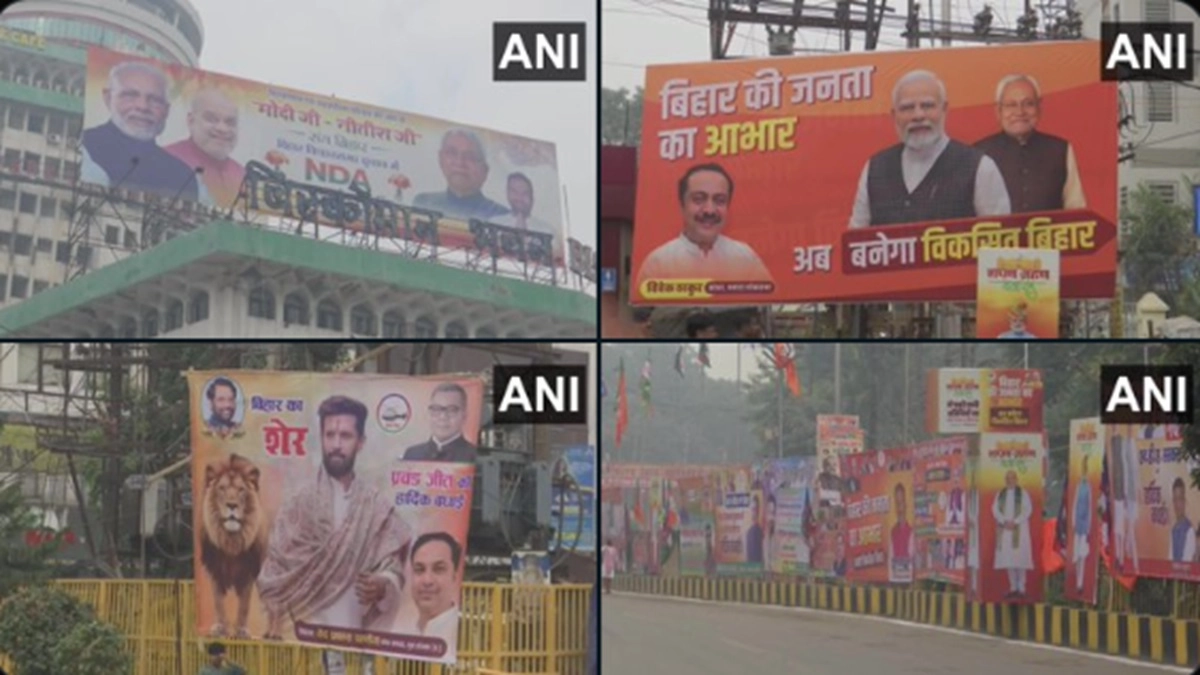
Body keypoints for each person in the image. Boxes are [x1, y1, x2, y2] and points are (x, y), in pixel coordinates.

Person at [257, 396, 410, 639]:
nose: (336, 444)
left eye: (345, 436)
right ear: (322, 438)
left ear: (360, 442)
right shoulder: (297, 505)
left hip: (354, 636)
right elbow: (272, 575)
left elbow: (392, 567)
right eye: (330, 435)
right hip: (301, 635)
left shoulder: (375, 508)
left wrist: (383, 583)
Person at [848, 70, 1011, 228]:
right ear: (894, 115)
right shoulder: (875, 168)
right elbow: (856, 238)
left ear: (944, 109)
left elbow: (1000, 238)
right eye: (907, 108)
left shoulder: (979, 167)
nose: (918, 115)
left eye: (927, 105)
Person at [81, 61, 208, 202]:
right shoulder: (83, 146)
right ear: (108, 98)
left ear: (166, 110)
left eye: (155, 100)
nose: (143, 107)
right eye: (130, 96)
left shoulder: (183, 176)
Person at [637, 163, 772, 283]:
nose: (709, 210)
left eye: (719, 200)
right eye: (698, 199)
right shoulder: (658, 263)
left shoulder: (745, 257)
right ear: (682, 205)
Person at [975, 74, 1086, 214]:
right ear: (998, 111)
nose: (1020, 112)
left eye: (1028, 104)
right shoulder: (978, 154)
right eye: (1011, 105)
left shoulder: (1060, 150)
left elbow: (1076, 209)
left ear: (1039, 107)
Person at [164, 87, 246, 208]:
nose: (222, 129)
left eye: (230, 122)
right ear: (191, 121)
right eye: (212, 119)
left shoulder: (242, 174)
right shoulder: (166, 160)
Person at [413, 129, 508, 221]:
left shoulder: (501, 216)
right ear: (441, 159)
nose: (460, 162)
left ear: (485, 170)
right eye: (452, 153)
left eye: (470, 156)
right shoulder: (424, 203)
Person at [403, 531, 463, 643]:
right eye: (419, 570)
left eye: (438, 569)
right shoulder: (401, 632)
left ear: (454, 577)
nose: (427, 580)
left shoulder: (465, 633)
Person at [403, 383, 477, 463]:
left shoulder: (475, 456)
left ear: (464, 416)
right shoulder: (412, 454)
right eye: (436, 409)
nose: (443, 417)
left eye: (452, 410)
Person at [991, 470, 1034, 598]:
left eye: (1012, 478)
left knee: (1020, 559)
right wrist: (1004, 521)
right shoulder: (1000, 494)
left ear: (1016, 479)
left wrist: (1015, 522)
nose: (1010, 480)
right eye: (1008, 478)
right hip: (1005, 530)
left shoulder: (1023, 493)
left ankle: (1022, 588)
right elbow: (994, 509)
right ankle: (1013, 587)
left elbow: (1028, 510)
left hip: (1019, 530)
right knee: (1008, 559)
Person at [1071, 454, 1093, 593]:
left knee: (1082, 554)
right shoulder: (1078, 486)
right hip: (1078, 523)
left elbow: (1090, 507)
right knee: (1077, 554)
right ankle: (1077, 581)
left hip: (1084, 524)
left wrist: (1088, 526)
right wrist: (1074, 522)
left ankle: (1080, 583)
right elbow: (1074, 505)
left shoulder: (1088, 487)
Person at [888, 483, 916, 583]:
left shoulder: (911, 532)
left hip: (907, 580)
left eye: (901, 502)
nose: (899, 507)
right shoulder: (892, 532)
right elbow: (890, 558)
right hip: (895, 580)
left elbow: (912, 559)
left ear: (905, 504)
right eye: (897, 503)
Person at [1171, 477, 1196, 563]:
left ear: (1184, 501)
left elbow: (1187, 563)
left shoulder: (1189, 530)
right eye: (1175, 499)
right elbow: (1169, 559)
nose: (1177, 504)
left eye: (1180, 499)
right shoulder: (1173, 530)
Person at [745, 493, 764, 565]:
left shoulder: (762, 532)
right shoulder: (748, 533)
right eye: (752, 509)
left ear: (758, 510)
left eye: (756, 509)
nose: (754, 512)